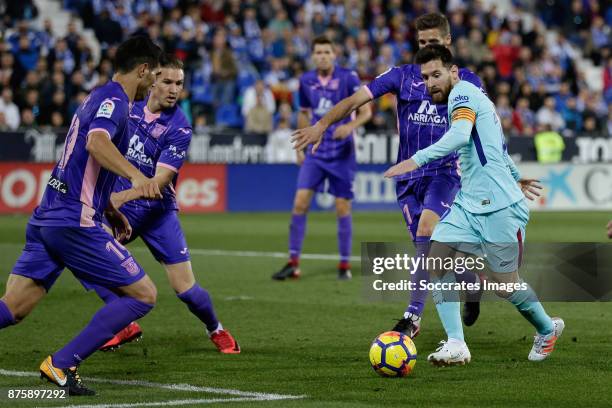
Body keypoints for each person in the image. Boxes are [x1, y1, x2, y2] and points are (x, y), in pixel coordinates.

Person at [292, 13, 483, 337]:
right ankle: (469, 281)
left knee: (428, 232)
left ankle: (412, 317)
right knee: (434, 252)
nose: (426, 47)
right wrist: (322, 125)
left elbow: (485, 128)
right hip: (407, 180)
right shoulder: (402, 76)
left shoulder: (467, 81)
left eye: (433, 42)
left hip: (445, 173)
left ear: (447, 42)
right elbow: (356, 99)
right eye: (422, 42)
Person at [0, 36, 162, 395]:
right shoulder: (115, 101)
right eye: (155, 77)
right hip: (74, 220)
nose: (153, 86)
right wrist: (137, 176)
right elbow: (95, 144)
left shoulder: (98, 95)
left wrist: (110, 208)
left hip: (50, 216)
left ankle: (60, 365)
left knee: (14, 308)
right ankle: (61, 364)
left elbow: (83, 163)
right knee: (143, 294)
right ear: (143, 69)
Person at [384, 44, 562, 365]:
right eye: (425, 78)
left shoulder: (462, 94)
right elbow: (497, 146)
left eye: (436, 74)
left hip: (499, 208)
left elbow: (460, 135)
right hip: (469, 204)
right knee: (436, 261)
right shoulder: (471, 97)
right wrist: (516, 175)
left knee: (504, 286)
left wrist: (416, 159)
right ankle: (456, 343)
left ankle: (547, 328)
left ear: (453, 72)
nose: (430, 83)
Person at [88, 54, 240, 354]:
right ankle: (125, 323)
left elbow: (158, 182)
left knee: (187, 291)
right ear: (152, 79)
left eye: (180, 84)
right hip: (119, 209)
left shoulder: (180, 127)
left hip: (157, 212)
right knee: (82, 250)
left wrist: (118, 197)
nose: (174, 89)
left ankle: (216, 328)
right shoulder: (128, 107)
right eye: (168, 81)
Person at [271, 35, 371, 281]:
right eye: (318, 52)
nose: (323, 56)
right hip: (315, 153)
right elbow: (304, 114)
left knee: (342, 207)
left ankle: (344, 265)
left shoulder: (348, 77)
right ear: (313, 56)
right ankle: (293, 263)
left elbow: (366, 111)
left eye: (327, 51)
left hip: (342, 153)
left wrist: (351, 126)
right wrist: (299, 148)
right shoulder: (305, 80)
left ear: (334, 54)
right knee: (300, 203)